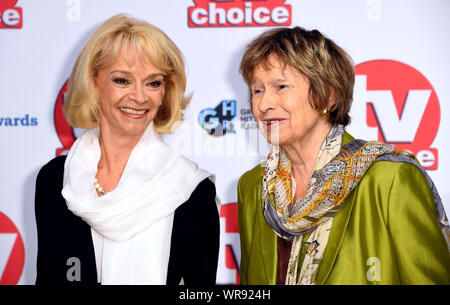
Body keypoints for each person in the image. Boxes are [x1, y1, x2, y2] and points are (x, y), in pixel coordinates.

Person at [237, 26, 450, 285]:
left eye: (281, 86)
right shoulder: (253, 186)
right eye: (257, 90)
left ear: (329, 94)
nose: (263, 104)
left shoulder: (391, 178)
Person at [35, 14, 220, 285]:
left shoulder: (191, 189)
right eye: (122, 80)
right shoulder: (55, 179)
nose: (140, 96)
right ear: (94, 83)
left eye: (153, 83)